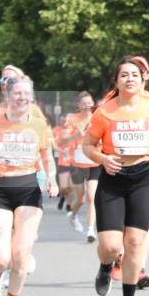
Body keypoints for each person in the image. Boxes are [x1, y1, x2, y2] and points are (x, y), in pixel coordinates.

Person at [81, 57, 149, 296]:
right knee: (110, 245)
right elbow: (87, 146)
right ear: (116, 81)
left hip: (143, 177)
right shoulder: (105, 112)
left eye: (135, 74)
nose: (130, 78)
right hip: (113, 177)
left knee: (134, 241)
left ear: (143, 79)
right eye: (124, 75)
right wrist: (102, 159)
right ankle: (106, 265)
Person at [0, 76, 58, 296]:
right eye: (17, 93)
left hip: (28, 188)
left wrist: (51, 179)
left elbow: (47, 157)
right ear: (7, 96)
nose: (22, 97)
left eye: (26, 93)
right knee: (1, 258)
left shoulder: (39, 125)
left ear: (31, 96)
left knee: (21, 255)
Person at [65, 92, 100, 241]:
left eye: (89, 102)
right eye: (83, 103)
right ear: (78, 106)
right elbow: (64, 139)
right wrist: (77, 134)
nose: (86, 105)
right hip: (78, 163)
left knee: (91, 196)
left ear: (93, 103)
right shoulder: (72, 119)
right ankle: (73, 215)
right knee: (80, 199)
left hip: (94, 162)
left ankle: (90, 230)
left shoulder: (98, 118)